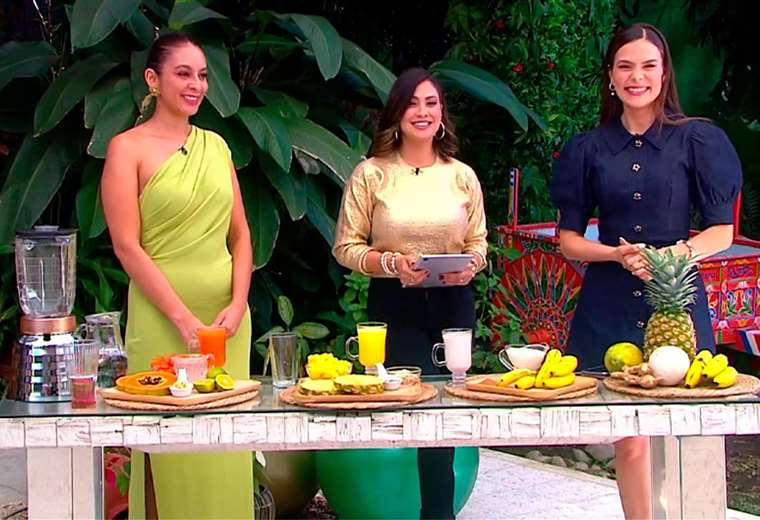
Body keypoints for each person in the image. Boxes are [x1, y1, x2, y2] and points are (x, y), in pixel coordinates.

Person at [550, 23, 742, 519]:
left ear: (664, 73)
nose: (637, 77)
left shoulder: (697, 140)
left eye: (648, 66)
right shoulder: (588, 148)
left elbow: (721, 231)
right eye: (625, 66)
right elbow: (569, 240)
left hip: (675, 304)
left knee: (684, 433)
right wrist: (615, 254)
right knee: (629, 438)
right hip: (610, 300)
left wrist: (676, 255)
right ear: (611, 76)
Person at [101, 33, 254, 518]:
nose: (196, 85)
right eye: (183, 74)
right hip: (162, 319)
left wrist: (237, 304)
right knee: (165, 448)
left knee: (223, 451)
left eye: (202, 75)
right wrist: (184, 320)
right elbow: (127, 246)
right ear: (153, 79)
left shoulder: (217, 146)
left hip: (226, 324)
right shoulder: (126, 149)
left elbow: (241, 235)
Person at [333, 67, 487, 519]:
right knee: (415, 408)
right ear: (397, 114)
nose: (422, 112)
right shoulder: (371, 174)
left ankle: (437, 513)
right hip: (395, 304)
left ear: (442, 115)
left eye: (431, 103)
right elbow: (345, 247)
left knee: (446, 414)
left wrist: (470, 266)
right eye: (412, 103)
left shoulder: (462, 176)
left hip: (453, 303)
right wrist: (390, 263)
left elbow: (479, 242)